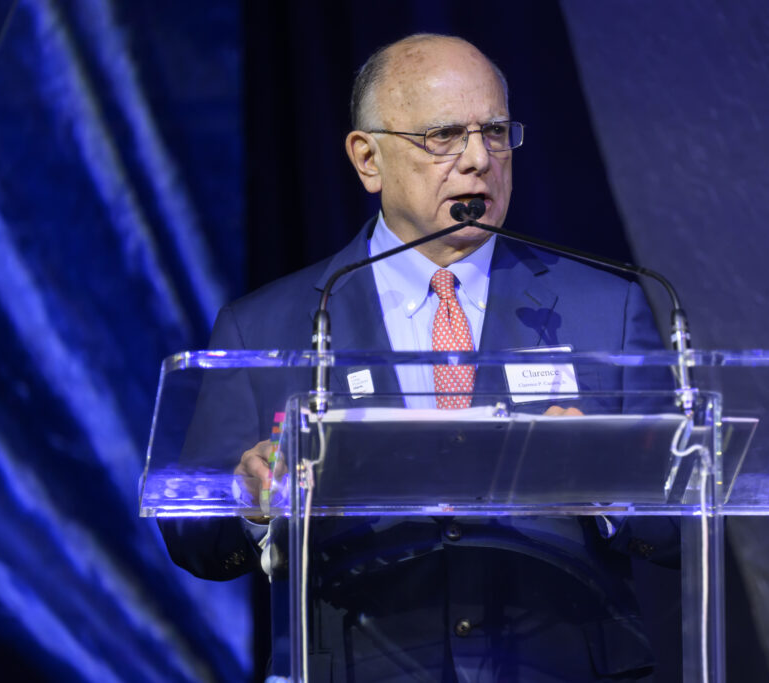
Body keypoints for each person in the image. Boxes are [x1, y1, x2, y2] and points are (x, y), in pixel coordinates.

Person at [160, 34, 680, 682]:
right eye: (443, 136)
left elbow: (689, 521)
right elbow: (192, 532)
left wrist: (608, 478)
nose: (478, 160)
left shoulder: (609, 306)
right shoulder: (269, 324)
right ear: (367, 158)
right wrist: (250, 497)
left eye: (495, 132)